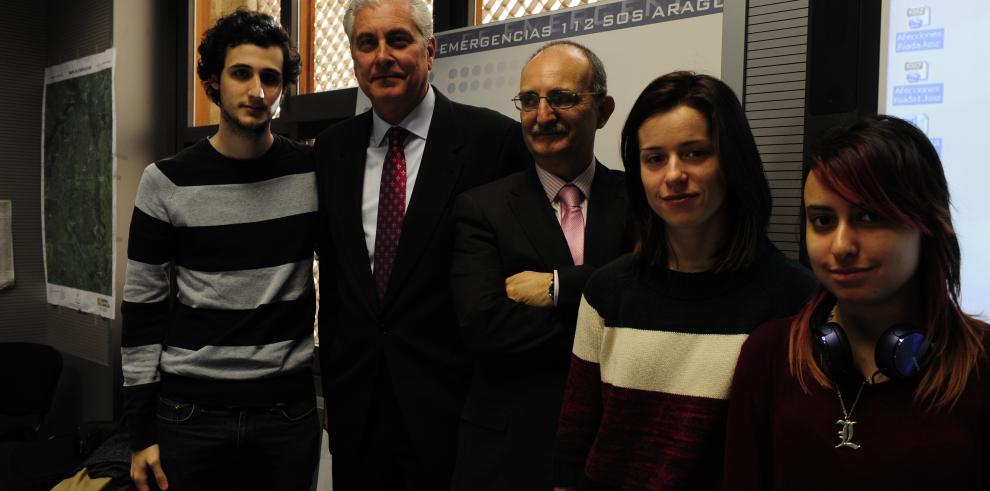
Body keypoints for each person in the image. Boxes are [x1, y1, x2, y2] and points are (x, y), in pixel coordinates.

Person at [552, 71, 817, 491]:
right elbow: (574, 441)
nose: (673, 174)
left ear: (733, 161)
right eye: (654, 158)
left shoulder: (794, 298)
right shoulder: (607, 292)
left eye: (695, 153)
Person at [312, 0, 530, 488]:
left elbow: (513, 279)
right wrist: (333, 391)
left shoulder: (492, 141)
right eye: (367, 43)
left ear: (430, 50)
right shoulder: (331, 150)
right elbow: (340, 282)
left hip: (455, 411)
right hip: (356, 412)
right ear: (353, 56)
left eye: (398, 40)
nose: (381, 56)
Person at [722, 115, 990, 490]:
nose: (841, 246)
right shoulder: (769, 355)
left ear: (926, 224)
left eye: (869, 217)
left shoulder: (982, 363)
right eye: (823, 220)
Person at [121, 9, 319, 491]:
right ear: (213, 79)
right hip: (191, 416)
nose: (257, 91)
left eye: (270, 78)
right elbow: (143, 310)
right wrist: (140, 432)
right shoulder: (165, 181)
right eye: (241, 73)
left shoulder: (312, 173)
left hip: (286, 415)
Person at [448, 41, 634, 490]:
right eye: (529, 100)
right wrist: (607, 327)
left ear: (603, 110)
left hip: (621, 444)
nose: (542, 114)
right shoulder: (482, 207)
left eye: (563, 98)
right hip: (511, 453)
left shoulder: (641, 202)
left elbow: (656, 295)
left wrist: (557, 288)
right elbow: (484, 325)